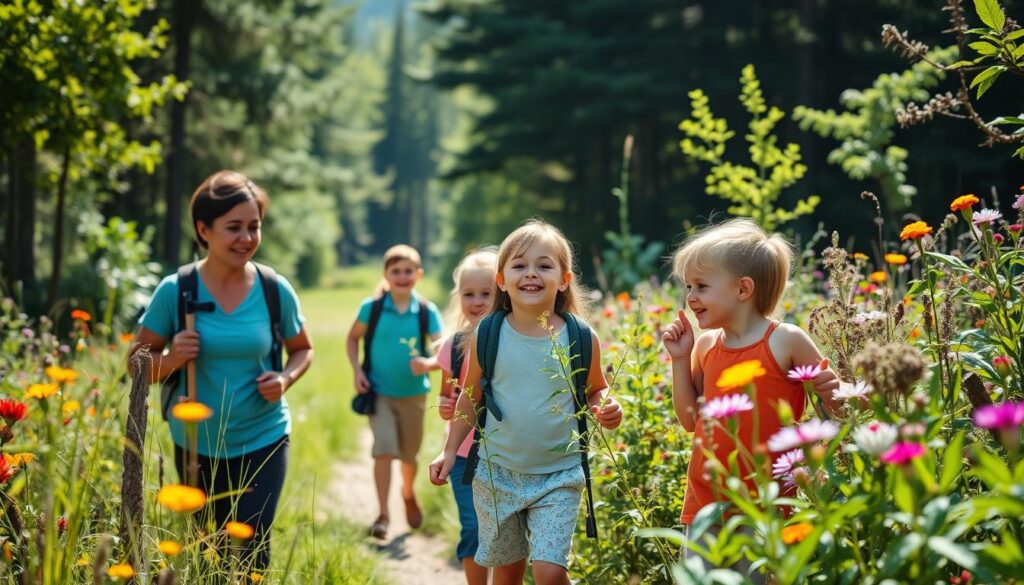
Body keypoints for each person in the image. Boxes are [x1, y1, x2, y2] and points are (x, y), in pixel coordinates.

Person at [134, 170, 314, 571]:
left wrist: (284, 379)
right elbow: (136, 365)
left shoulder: (273, 288)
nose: (246, 238)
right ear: (204, 229)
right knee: (205, 554)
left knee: (253, 552)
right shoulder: (177, 290)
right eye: (234, 227)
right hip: (195, 441)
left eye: (254, 227)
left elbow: (302, 350)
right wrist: (173, 358)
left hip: (263, 437)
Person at [429, 220, 623, 585]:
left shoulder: (580, 336)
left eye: (544, 265)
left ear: (564, 278)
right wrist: (449, 450)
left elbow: (596, 388)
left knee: (549, 573)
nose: (531, 273)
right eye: (519, 265)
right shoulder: (488, 333)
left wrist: (607, 406)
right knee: (507, 573)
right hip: (496, 473)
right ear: (501, 279)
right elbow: (471, 398)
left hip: (559, 474)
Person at [660, 218, 841, 582]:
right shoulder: (707, 347)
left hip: (767, 504)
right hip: (705, 501)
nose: (690, 297)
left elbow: (838, 408)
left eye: (701, 286)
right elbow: (691, 420)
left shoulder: (785, 340)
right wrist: (680, 358)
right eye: (688, 287)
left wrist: (829, 388)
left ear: (743, 289)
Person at [346, 244, 443, 540]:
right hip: (380, 393)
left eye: (408, 271)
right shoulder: (371, 308)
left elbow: (443, 349)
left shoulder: (426, 311)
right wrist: (358, 371)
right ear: (386, 274)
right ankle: (383, 514)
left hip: (414, 395)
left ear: (418, 274)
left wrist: (428, 364)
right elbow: (352, 339)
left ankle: (408, 492)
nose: (402, 276)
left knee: (409, 455)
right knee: (384, 450)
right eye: (396, 271)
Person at [434, 247, 498, 585]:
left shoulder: (511, 339)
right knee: (473, 528)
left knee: (502, 532)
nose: (477, 301)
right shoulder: (452, 345)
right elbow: (446, 397)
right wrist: (446, 406)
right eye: (469, 294)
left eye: (486, 294)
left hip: (504, 453)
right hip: (462, 455)